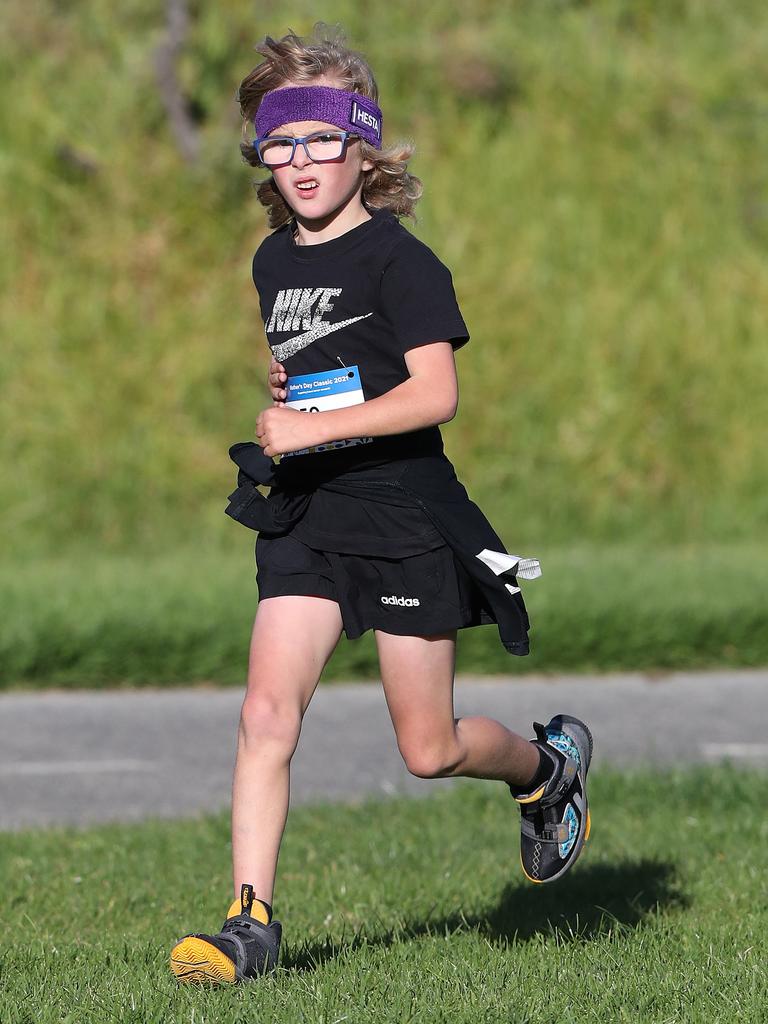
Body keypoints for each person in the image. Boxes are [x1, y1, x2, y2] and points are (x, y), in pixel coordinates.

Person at [170, 25, 593, 985]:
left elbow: (434, 395)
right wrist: (294, 397)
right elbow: (314, 367)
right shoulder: (273, 260)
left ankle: (545, 769)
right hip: (307, 514)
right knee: (265, 712)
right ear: (262, 159)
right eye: (281, 144)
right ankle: (250, 924)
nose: (301, 162)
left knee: (429, 750)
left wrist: (315, 426)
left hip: (402, 515)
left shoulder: (405, 262)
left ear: (365, 147)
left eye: (322, 140)